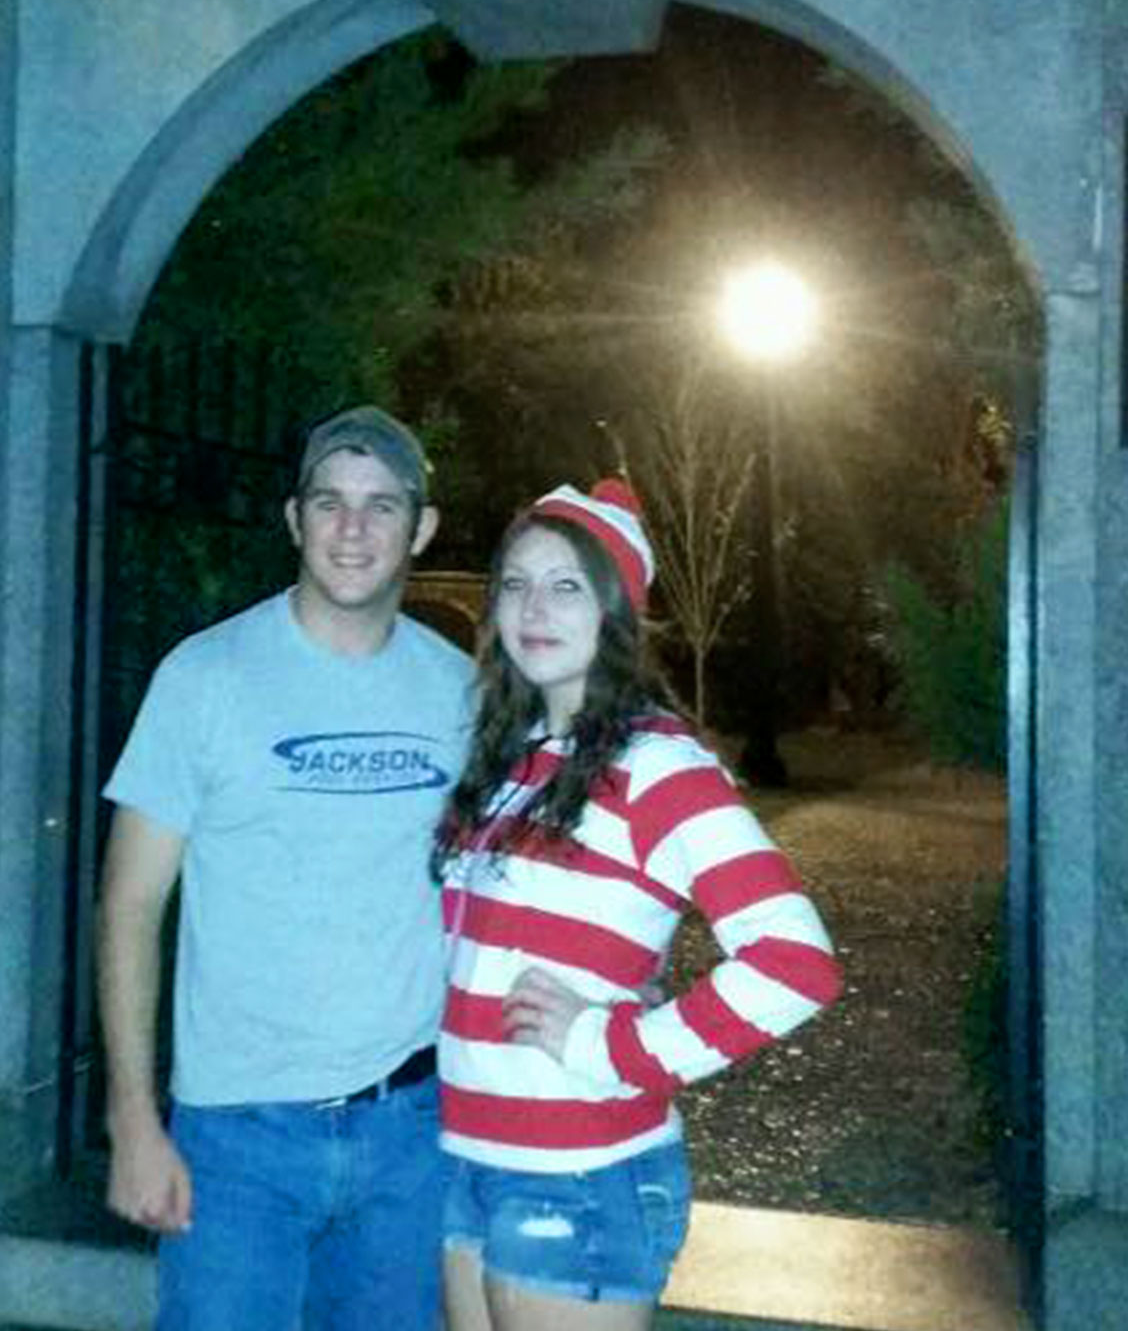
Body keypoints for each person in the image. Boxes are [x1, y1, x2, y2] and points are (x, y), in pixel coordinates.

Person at [98, 404, 475, 1331]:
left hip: (410, 1133)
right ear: (294, 518)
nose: (354, 530)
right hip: (237, 1140)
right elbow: (129, 907)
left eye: (382, 506)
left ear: (420, 527)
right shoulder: (205, 676)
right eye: (331, 503)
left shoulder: (462, 691)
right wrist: (134, 1123)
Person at [435, 480, 841, 1329]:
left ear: (615, 610)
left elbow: (794, 964)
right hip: (467, 1157)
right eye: (514, 583)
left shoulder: (660, 766)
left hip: (578, 1173)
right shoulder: (510, 761)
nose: (533, 608)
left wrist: (615, 1044)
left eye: (566, 585)